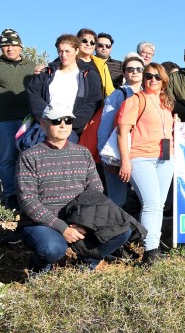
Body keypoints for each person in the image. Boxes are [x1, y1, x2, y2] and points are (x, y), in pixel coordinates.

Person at [16, 104, 133, 272]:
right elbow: (28, 202)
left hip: (79, 220)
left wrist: (83, 223)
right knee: (52, 249)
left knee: (123, 229)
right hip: (42, 223)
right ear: (43, 124)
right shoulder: (29, 156)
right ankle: (39, 266)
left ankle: (87, 261)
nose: (63, 125)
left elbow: (95, 191)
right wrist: (62, 227)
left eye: (68, 120)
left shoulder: (83, 153)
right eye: (56, 121)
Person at [117, 63, 175, 265]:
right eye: (149, 75)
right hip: (140, 158)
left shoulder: (165, 103)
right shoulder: (135, 101)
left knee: (159, 205)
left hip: (165, 158)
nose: (153, 80)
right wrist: (125, 161)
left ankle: (153, 247)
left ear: (164, 80)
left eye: (157, 77)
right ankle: (150, 252)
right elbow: (122, 133)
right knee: (150, 204)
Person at [27, 34, 102, 142]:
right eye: (60, 51)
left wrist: (70, 123)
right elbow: (33, 95)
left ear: (77, 51)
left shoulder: (89, 76)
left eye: (67, 51)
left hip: (73, 132)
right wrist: (47, 119)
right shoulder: (46, 73)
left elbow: (93, 102)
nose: (63, 55)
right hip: (45, 129)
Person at [97, 57, 145, 207]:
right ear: (124, 73)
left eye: (139, 69)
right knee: (117, 201)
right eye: (130, 69)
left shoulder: (147, 94)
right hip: (116, 154)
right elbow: (105, 124)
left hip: (139, 153)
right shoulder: (118, 95)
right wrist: (106, 158)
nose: (135, 72)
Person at [0, 29, 35, 209]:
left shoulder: (32, 66)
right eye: (5, 45)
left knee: (29, 157)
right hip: (4, 119)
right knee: (7, 158)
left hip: (29, 119)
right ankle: (11, 196)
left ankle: (29, 196)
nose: (10, 48)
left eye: (13, 44)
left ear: (20, 47)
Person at [76, 29, 114, 97]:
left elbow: (109, 91)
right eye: (85, 41)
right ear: (77, 42)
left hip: (97, 106)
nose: (88, 44)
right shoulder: (68, 61)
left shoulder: (101, 64)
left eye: (92, 42)